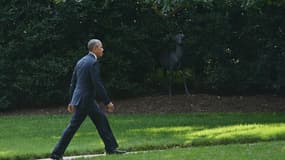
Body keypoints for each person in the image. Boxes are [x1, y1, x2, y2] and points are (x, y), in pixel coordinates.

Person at [50, 39, 126, 160]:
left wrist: (71, 100)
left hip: (83, 100)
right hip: (86, 101)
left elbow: (73, 83)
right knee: (72, 127)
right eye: (101, 47)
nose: (103, 50)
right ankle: (56, 154)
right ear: (95, 48)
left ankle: (111, 148)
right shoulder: (93, 63)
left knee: (101, 121)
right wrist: (107, 102)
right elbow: (97, 84)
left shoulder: (81, 61)